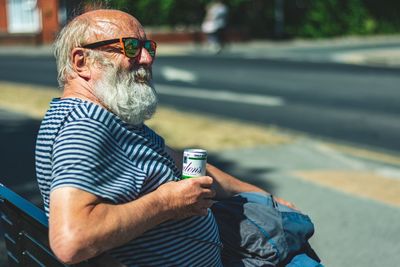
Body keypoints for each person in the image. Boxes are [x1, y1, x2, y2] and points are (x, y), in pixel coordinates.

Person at [35, 9, 300, 267]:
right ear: (82, 61)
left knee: (289, 231)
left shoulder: (110, 118)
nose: (147, 59)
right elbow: (71, 242)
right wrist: (167, 202)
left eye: (148, 47)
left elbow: (181, 162)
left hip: (219, 252)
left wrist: (266, 198)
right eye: (129, 47)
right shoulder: (84, 127)